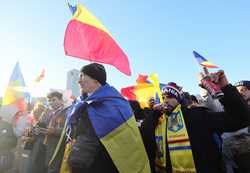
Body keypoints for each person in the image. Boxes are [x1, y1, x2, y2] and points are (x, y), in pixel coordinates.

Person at [140, 70, 250, 173]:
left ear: (178, 100)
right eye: (163, 97)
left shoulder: (196, 115)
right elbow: (143, 138)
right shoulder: (156, 122)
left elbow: (240, 119)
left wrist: (225, 88)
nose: (165, 100)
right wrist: (153, 113)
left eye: (170, 96)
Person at [67, 63, 150, 173]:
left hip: (106, 163)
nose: (79, 81)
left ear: (95, 79)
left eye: (82, 76)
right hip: (81, 160)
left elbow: (126, 138)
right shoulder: (80, 103)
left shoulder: (116, 102)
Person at [221, 80, 250, 173]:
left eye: (244, 90)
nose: (241, 92)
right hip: (235, 158)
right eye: (237, 91)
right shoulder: (230, 110)